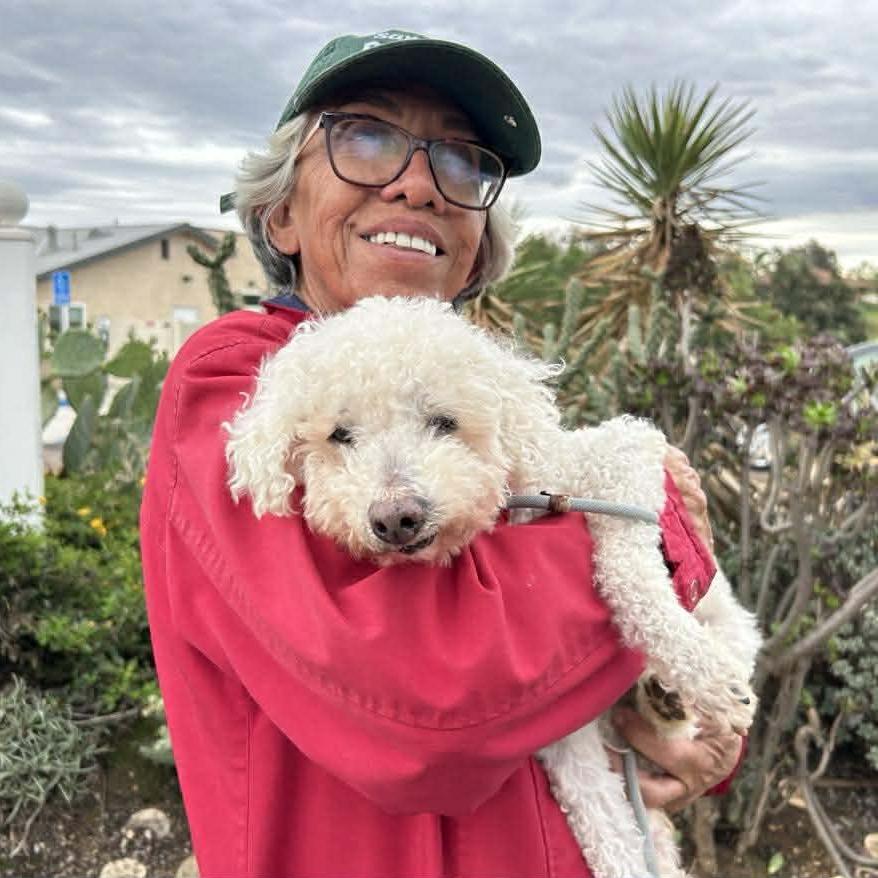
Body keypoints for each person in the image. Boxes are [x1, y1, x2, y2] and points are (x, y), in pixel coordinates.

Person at [141, 29, 744, 878]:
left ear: (478, 239)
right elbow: (424, 705)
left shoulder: (481, 397)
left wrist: (678, 725)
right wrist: (661, 520)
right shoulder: (242, 381)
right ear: (280, 210)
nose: (420, 181)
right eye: (365, 136)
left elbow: (569, 657)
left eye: (463, 161)